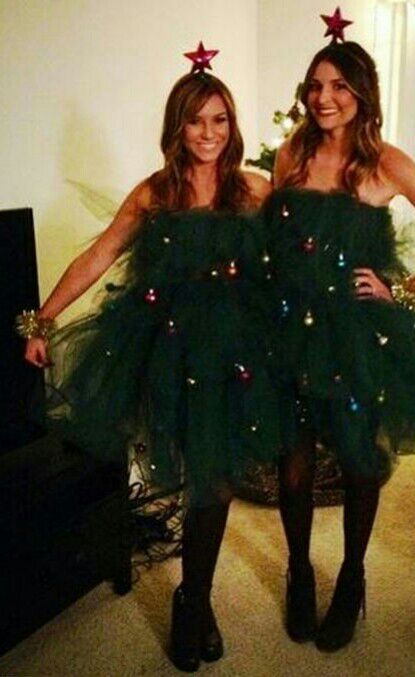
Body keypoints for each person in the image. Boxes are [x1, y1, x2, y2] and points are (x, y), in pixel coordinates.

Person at [19, 45, 277, 673]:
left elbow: (293, 257)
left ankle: (194, 599)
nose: (209, 133)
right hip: (166, 348)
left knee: (216, 479)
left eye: (219, 120)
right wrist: (43, 317)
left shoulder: (254, 189)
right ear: (176, 128)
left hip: (233, 351)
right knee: (191, 470)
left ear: (232, 124)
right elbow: (100, 255)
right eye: (195, 121)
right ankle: (195, 599)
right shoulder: (155, 192)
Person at [266, 17, 415, 653]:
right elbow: (278, 238)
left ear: (363, 92)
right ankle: (299, 572)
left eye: (339, 86)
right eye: (315, 85)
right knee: (293, 468)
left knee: (360, 463)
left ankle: (352, 577)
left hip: (354, 337)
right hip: (288, 328)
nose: (324, 97)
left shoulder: (386, 163)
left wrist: (402, 290)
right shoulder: (291, 154)